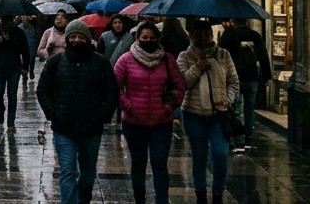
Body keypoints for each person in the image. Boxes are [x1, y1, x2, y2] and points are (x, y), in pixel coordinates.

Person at [36, 19, 117, 204]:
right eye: (72, 36)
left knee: (88, 172)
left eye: (81, 36)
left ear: (87, 39)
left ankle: (83, 197)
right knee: (67, 170)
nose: (76, 40)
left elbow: (112, 90)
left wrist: (104, 115)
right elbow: (42, 90)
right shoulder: (55, 62)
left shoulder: (101, 62)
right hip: (64, 128)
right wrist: (53, 114)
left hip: (92, 127)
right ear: (67, 39)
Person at [114, 20, 186, 204]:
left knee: (159, 162)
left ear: (158, 39)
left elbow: (179, 86)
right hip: (133, 122)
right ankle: (140, 199)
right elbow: (115, 87)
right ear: (137, 38)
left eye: (152, 38)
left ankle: (162, 200)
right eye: (144, 37)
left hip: (161, 121)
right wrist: (128, 106)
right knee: (138, 163)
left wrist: (169, 107)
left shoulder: (167, 60)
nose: (148, 40)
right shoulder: (126, 59)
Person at [178, 19, 240, 204]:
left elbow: (233, 82)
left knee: (220, 153)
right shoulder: (184, 56)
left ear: (211, 35)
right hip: (192, 114)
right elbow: (183, 84)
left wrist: (227, 100)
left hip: (218, 116)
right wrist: (198, 67)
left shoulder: (223, 55)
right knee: (199, 156)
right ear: (191, 35)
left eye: (206, 34)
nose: (202, 38)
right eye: (197, 34)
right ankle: (201, 195)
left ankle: (218, 193)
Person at [217, 17, 272, 151]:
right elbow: (263, 56)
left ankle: (239, 140)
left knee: (236, 108)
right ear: (246, 21)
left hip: (235, 78)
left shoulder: (229, 34)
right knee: (249, 109)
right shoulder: (255, 35)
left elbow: (220, 54)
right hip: (252, 77)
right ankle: (248, 138)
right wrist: (267, 76)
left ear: (233, 21)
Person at [0, 14, 30, 129]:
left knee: (12, 95)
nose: (6, 22)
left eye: (8, 20)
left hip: (14, 67)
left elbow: (25, 50)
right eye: (4, 19)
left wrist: (25, 67)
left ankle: (11, 121)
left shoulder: (19, 32)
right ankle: (1, 110)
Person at [18, 15, 39, 80]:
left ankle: (31, 70)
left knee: (32, 59)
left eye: (25, 16)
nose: (24, 18)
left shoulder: (33, 25)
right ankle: (24, 73)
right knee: (23, 59)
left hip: (32, 44)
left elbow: (39, 25)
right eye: (22, 16)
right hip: (23, 45)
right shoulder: (19, 27)